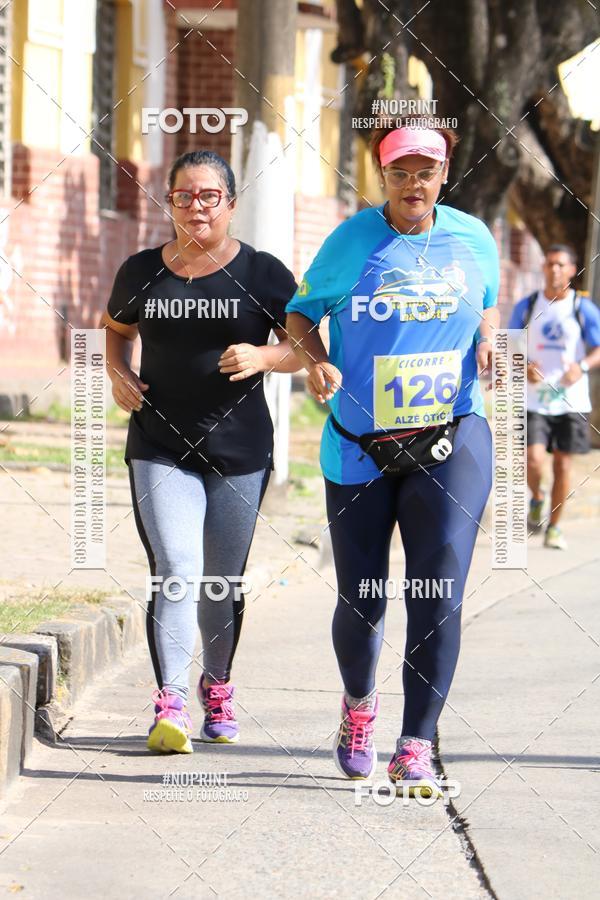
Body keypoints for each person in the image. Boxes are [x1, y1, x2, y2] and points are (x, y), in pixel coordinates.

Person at [286, 124, 499, 797]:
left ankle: (415, 742)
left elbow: (487, 307)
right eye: (401, 173)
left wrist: (489, 343)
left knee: (438, 595)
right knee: (364, 597)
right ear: (384, 178)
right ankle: (357, 708)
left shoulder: (474, 239)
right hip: (360, 447)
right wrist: (317, 361)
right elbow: (299, 314)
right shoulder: (352, 243)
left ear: (444, 176)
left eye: (426, 172)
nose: (415, 184)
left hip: (451, 437)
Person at [101, 150, 301, 753]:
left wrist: (264, 357)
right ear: (171, 202)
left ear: (231, 204)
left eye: (209, 195)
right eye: (184, 196)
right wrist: (117, 373)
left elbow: (306, 349)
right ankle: (171, 702)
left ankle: (217, 686)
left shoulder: (264, 274)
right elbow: (114, 329)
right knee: (177, 568)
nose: (195, 206)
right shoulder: (141, 271)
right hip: (159, 446)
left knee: (221, 580)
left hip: (240, 452)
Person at [508, 245, 600, 550]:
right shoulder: (528, 305)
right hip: (534, 400)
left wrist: (582, 366)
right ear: (543, 268)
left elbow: (597, 347)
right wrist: (524, 365)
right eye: (549, 264)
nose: (555, 270)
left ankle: (555, 527)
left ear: (572, 270)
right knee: (533, 460)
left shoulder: (581, 308)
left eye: (561, 265)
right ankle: (536, 497)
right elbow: (509, 344)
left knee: (562, 466)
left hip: (570, 400)